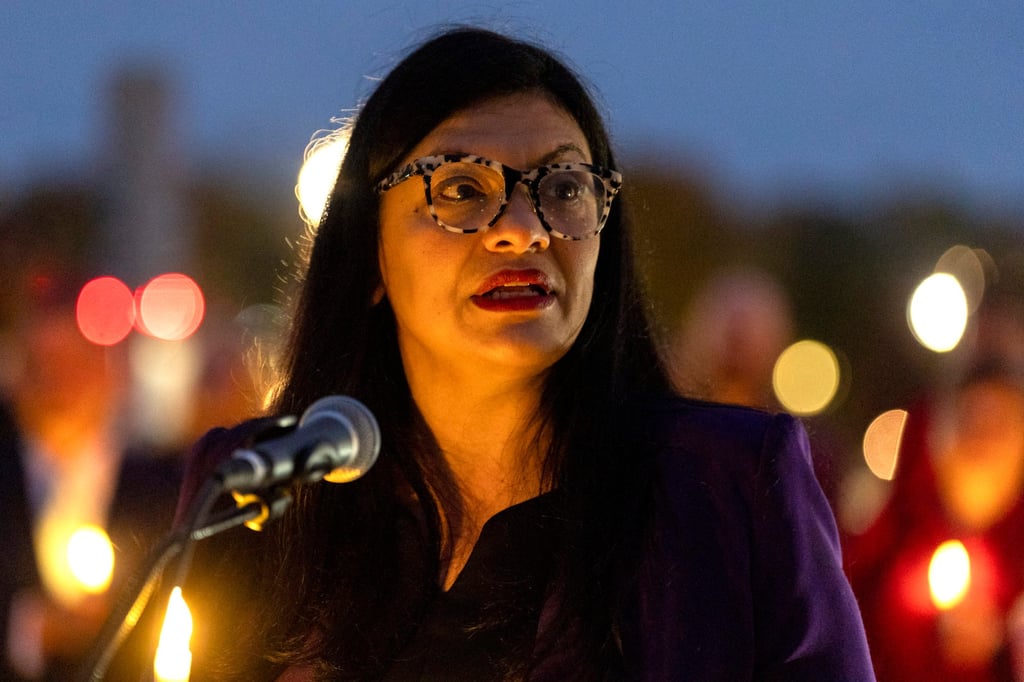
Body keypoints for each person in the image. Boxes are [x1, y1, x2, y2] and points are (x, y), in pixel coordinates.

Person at [173, 27, 873, 680]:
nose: (521, 229)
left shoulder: (729, 490)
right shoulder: (254, 495)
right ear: (369, 258)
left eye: (563, 187)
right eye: (460, 189)